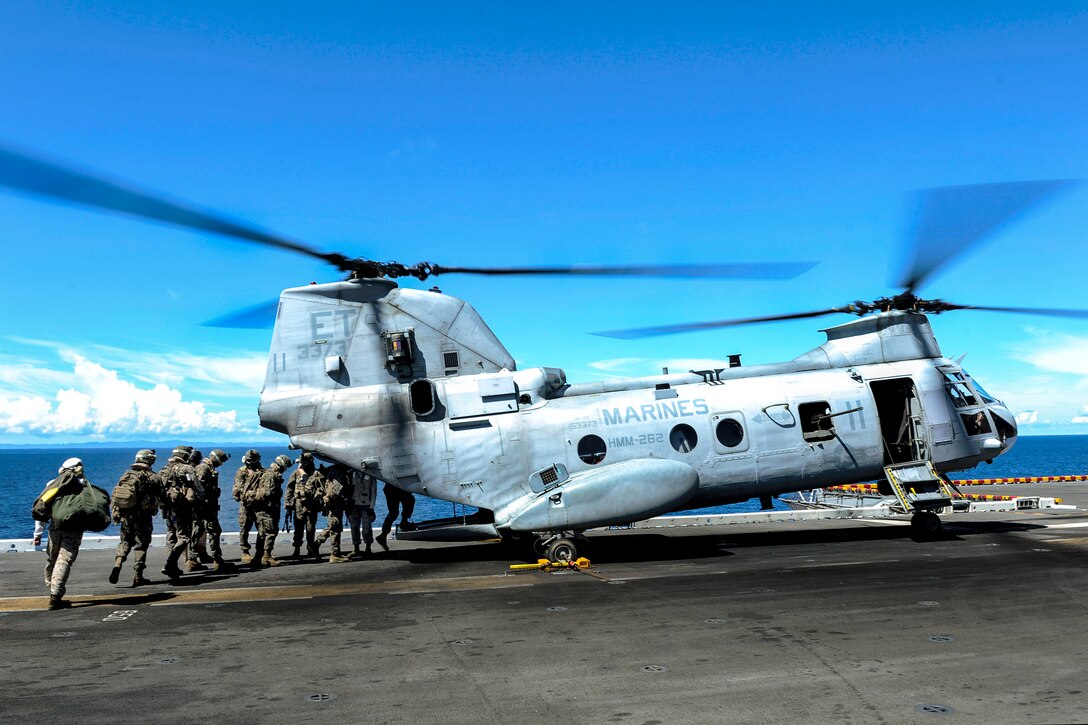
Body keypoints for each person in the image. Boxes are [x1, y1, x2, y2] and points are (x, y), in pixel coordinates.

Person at [31, 458, 90, 610]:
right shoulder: (84, 486)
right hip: (73, 530)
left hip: (54, 527)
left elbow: (42, 508)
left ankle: (51, 586)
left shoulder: (52, 484)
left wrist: (37, 534)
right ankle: (55, 596)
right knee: (65, 560)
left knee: (53, 557)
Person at [109, 449, 161, 587]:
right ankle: (138, 575)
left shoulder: (126, 475)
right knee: (141, 545)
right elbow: (161, 495)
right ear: (150, 460)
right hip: (143, 517)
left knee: (125, 541)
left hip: (126, 516)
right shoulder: (153, 477)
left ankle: (118, 563)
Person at [160, 446, 198, 579]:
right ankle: (170, 563)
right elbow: (197, 486)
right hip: (182, 508)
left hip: (168, 509)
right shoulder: (186, 468)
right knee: (184, 537)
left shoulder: (165, 469)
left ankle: (173, 567)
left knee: (171, 536)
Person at [192, 449, 232, 571]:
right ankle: (216, 560)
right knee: (213, 531)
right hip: (205, 507)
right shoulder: (204, 468)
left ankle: (195, 559)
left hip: (206, 507)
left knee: (201, 531)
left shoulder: (207, 468)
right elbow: (199, 487)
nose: (221, 464)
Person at [249, 454, 291, 569]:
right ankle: (266, 556)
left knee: (262, 534)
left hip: (261, 510)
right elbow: (268, 493)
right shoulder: (271, 475)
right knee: (270, 532)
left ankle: (258, 557)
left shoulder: (266, 473)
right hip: (267, 510)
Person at [286, 452, 324, 561]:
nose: (305, 464)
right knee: (298, 529)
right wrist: (287, 502)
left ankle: (310, 549)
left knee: (310, 528)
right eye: (303, 462)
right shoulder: (296, 473)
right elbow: (289, 488)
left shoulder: (316, 474)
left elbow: (322, 487)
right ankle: (296, 549)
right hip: (299, 505)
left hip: (312, 505)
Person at [314, 464, 352, 563]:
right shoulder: (338, 473)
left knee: (333, 526)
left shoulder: (332, 470)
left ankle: (316, 544)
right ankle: (334, 554)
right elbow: (333, 491)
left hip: (333, 504)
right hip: (335, 504)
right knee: (335, 528)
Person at [232, 450, 263, 564]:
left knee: (262, 530)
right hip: (246, 505)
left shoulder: (263, 471)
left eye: (252, 460)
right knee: (244, 529)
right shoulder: (242, 471)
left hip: (259, 506)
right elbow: (238, 488)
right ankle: (245, 551)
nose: (250, 463)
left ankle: (260, 552)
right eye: (248, 460)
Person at [346, 469, 378, 558]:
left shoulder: (370, 474)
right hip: (354, 504)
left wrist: (371, 507)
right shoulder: (351, 472)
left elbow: (373, 490)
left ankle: (368, 548)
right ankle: (356, 548)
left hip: (366, 505)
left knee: (367, 528)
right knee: (354, 527)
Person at [375, 482, 416, 551]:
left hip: (400, 487)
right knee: (394, 512)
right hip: (393, 488)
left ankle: (404, 522)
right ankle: (383, 534)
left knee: (410, 501)